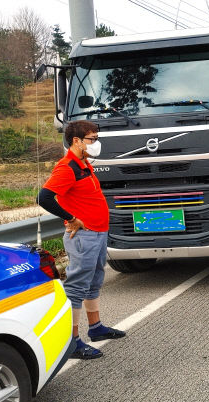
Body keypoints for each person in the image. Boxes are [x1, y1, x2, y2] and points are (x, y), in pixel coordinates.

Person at [37, 120, 125, 360]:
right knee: (76, 287)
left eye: (96, 138)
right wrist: (71, 218)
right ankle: (72, 341)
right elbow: (44, 197)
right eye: (91, 139)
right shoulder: (67, 168)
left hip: (97, 232)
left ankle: (95, 328)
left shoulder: (84, 165)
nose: (96, 143)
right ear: (76, 141)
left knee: (94, 280)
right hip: (83, 236)